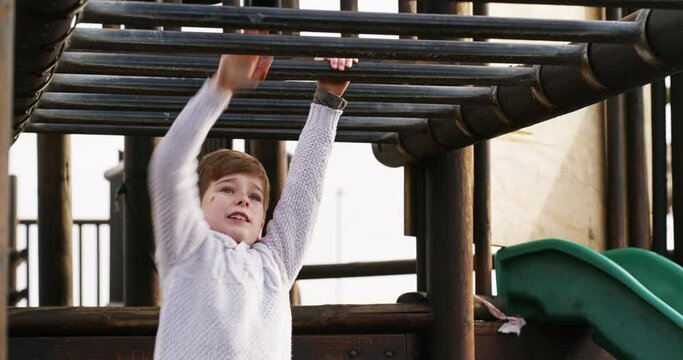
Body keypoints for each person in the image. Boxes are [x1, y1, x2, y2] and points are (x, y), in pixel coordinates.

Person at [148, 53, 358, 359]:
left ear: (262, 222)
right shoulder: (188, 248)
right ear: (196, 205)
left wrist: (327, 102)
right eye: (227, 189)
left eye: (255, 197)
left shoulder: (275, 263)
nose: (243, 199)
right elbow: (168, 165)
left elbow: (305, 189)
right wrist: (220, 88)